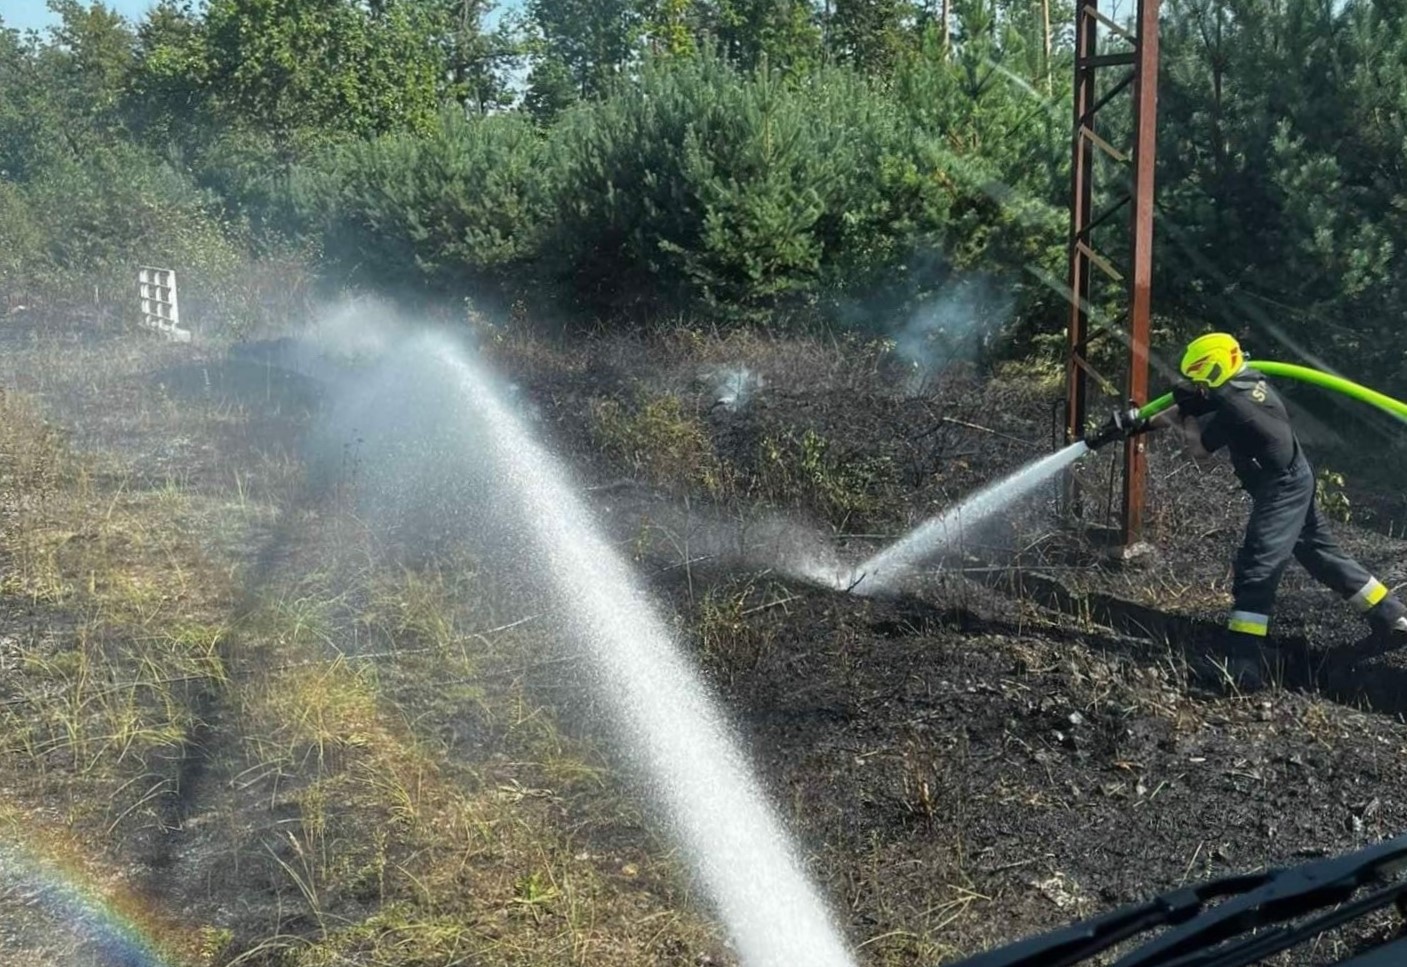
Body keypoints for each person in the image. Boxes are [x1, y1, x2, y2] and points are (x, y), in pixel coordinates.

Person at [1142, 332, 1407, 688]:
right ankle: (1391, 615)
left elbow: (1199, 451)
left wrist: (1186, 415)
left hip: (1282, 488)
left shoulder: (1238, 407)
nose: (1197, 384)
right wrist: (1139, 422)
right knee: (1320, 554)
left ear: (1217, 368)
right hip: (1294, 477)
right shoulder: (1245, 380)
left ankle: (1244, 665)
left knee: (1256, 566)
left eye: (1200, 377)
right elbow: (1194, 401)